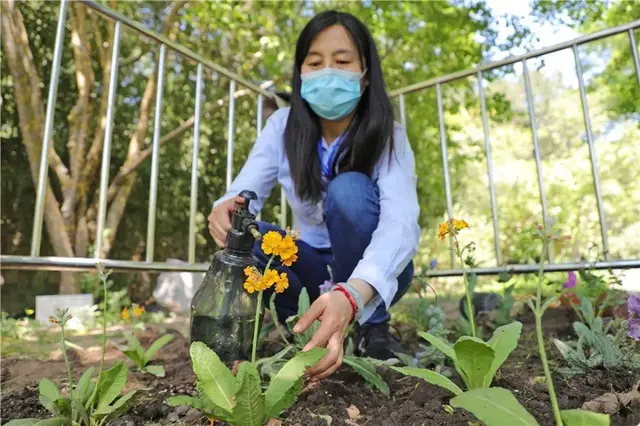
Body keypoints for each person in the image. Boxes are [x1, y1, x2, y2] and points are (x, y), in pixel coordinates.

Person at [208, 10, 420, 381]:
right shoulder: (281, 127)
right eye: (315, 62)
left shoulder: (388, 133)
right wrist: (227, 210)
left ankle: (373, 329)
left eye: (342, 61)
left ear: (365, 74)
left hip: (363, 274)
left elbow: (401, 223)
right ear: (301, 72)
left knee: (349, 191)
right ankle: (301, 323)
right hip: (307, 265)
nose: (327, 72)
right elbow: (244, 193)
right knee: (250, 237)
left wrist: (353, 293)